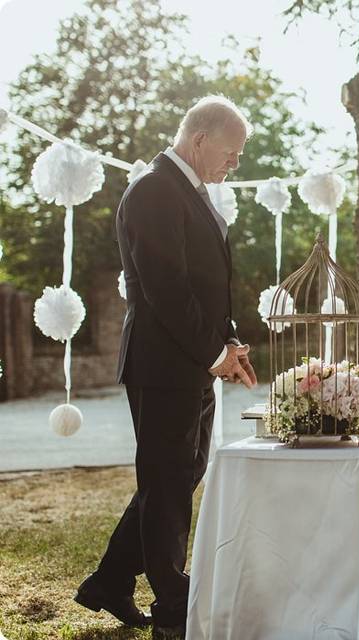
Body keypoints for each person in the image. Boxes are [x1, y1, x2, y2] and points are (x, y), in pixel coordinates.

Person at [74, 96, 258, 638]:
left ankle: (109, 582)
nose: (234, 164)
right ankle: (173, 604)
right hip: (161, 364)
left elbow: (200, 284)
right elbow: (166, 290)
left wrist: (225, 341)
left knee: (177, 475)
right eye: (231, 152)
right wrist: (212, 352)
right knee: (169, 481)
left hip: (189, 361)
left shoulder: (190, 190)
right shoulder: (153, 190)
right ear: (199, 140)